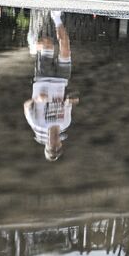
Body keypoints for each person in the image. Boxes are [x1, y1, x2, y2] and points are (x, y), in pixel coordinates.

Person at [25, 9, 76, 162]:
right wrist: (70, 101)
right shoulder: (65, 123)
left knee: (47, 43)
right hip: (61, 80)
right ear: (60, 144)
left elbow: (26, 106)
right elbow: (67, 103)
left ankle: (34, 47)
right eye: (56, 147)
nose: (53, 144)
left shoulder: (38, 125)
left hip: (43, 79)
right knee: (65, 47)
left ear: (46, 144)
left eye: (50, 147)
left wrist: (37, 100)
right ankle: (56, 16)